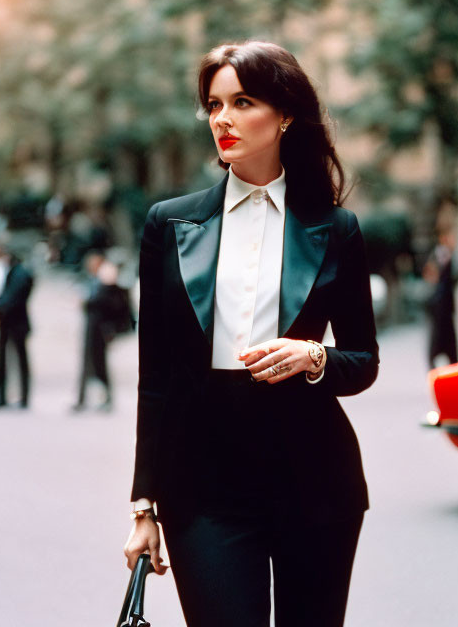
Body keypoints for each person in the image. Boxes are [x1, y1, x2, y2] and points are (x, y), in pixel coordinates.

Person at [123, 40, 379, 627]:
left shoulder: (336, 229)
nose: (223, 119)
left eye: (242, 102)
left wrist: (313, 355)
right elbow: (155, 379)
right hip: (203, 487)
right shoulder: (170, 224)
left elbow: (363, 361)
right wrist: (144, 506)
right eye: (214, 105)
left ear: (285, 113)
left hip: (316, 479)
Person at [73, 257, 134, 412]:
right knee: (90, 364)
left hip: (100, 329)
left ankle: (101, 398)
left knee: (99, 365)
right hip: (93, 329)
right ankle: (83, 398)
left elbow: (112, 306)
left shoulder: (106, 286)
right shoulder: (94, 284)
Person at [0, 242, 33, 409]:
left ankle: (22, 397)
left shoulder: (19, 273)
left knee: (18, 360)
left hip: (15, 322)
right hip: (8, 322)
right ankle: (4, 396)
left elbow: (13, 296)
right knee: (5, 360)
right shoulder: (12, 271)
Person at [423, 226, 458, 368]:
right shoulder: (439, 255)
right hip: (438, 306)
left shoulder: (448, 255)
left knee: (449, 343)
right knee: (438, 339)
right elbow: (429, 274)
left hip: (446, 306)